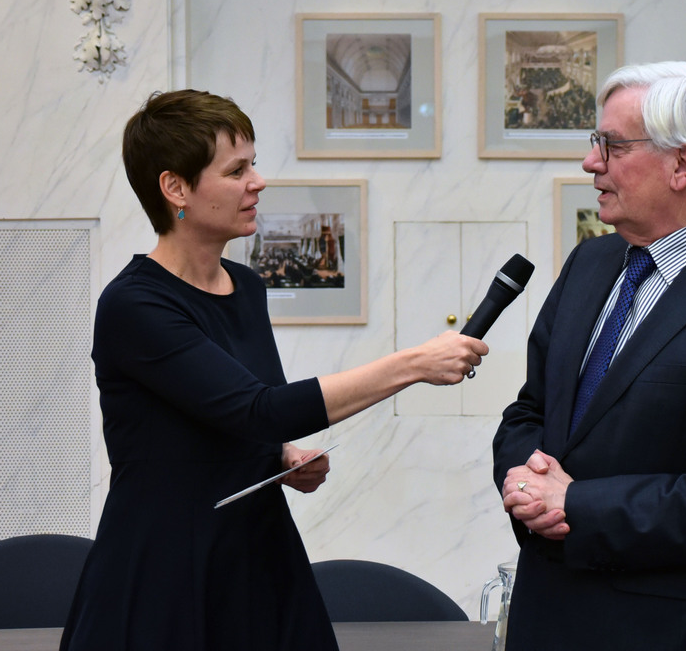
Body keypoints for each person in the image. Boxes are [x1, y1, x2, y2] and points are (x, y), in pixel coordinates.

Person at [59, 89, 487, 651]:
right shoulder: (134, 306)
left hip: (256, 560)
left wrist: (280, 455)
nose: (257, 181)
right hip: (166, 572)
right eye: (237, 170)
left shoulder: (248, 288)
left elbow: (239, 416)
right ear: (176, 188)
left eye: (253, 164)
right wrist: (414, 364)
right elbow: (258, 409)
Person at [492, 62, 686, 650]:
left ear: (682, 165)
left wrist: (578, 505)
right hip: (544, 617)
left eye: (611, 146)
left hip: (665, 632)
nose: (592, 163)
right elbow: (528, 412)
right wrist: (523, 482)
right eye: (596, 144)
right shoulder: (588, 266)